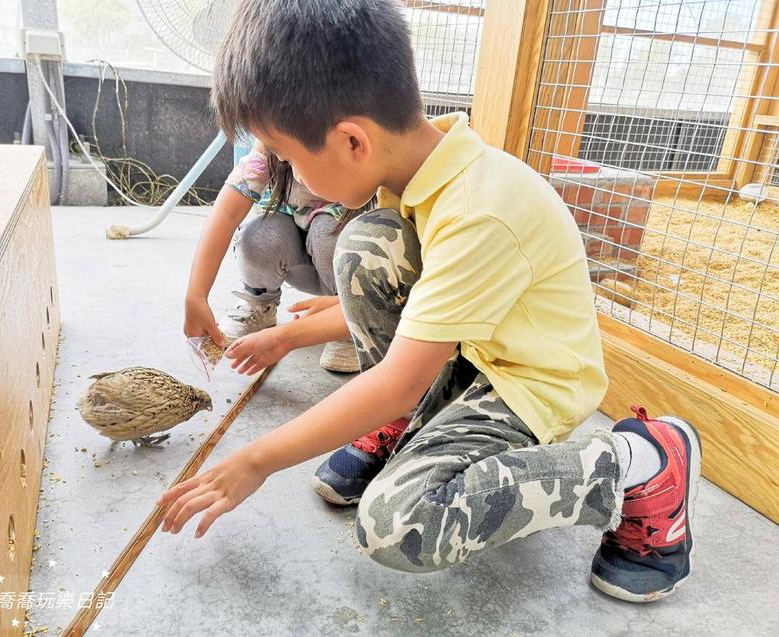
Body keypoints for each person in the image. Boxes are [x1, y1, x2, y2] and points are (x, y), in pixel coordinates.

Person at [160, 0, 701, 603]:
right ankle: (409, 428)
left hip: (525, 388)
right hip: (471, 358)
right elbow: (426, 313)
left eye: (288, 156)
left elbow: (397, 375)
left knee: (400, 524)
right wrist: (286, 337)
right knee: (367, 247)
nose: (291, 173)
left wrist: (256, 460)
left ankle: (642, 463)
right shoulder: (416, 172)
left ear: (351, 141)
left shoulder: (479, 210)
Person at [183, 138, 360, 372]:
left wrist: (347, 311)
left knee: (329, 231)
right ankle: (259, 302)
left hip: (349, 271)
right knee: (258, 233)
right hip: (301, 259)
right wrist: (196, 295)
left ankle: (350, 325)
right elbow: (227, 210)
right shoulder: (271, 144)